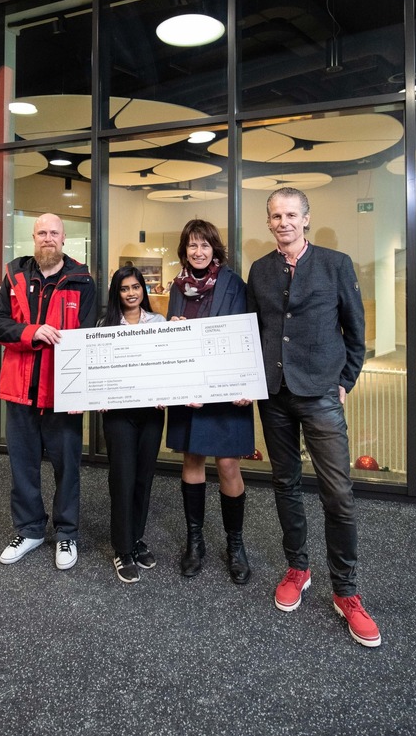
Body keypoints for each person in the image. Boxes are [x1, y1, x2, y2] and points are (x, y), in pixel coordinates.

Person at [246, 187, 381, 648]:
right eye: (275, 216)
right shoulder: (260, 270)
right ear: (268, 222)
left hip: (321, 391)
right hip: (275, 395)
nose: (283, 222)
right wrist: (250, 380)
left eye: (290, 215)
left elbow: (356, 331)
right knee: (285, 484)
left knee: (337, 493)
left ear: (305, 219)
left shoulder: (336, 264)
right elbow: (253, 331)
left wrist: (345, 379)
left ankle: (347, 592)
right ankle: (298, 567)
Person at [0, 213, 96, 571]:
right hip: (20, 392)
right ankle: (30, 530)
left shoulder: (83, 281)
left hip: (62, 395)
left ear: (64, 238)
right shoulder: (14, 276)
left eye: (54, 233)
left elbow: (91, 341)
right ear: (33, 237)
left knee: (68, 468)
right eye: (42, 233)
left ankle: (66, 533)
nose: (48, 238)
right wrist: (30, 331)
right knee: (23, 467)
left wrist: (81, 393)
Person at [167, 219, 254, 584]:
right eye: (192, 246)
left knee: (229, 464)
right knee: (192, 459)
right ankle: (195, 542)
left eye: (204, 245)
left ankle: (235, 544)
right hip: (190, 390)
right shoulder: (177, 286)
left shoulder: (234, 283)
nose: (198, 252)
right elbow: (172, 340)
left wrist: (247, 380)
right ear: (184, 250)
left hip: (227, 389)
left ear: (214, 248)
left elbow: (250, 329)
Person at [99, 266, 166, 584]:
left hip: (152, 413)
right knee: (122, 479)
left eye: (136, 287)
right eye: (124, 288)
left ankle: (136, 539)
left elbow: (169, 365)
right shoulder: (105, 325)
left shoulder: (160, 323)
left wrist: (171, 391)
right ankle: (122, 548)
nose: (131, 293)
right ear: (117, 293)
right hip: (118, 415)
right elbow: (98, 371)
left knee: (143, 478)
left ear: (143, 290)